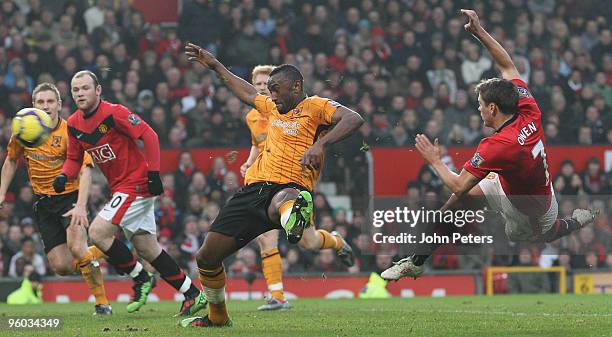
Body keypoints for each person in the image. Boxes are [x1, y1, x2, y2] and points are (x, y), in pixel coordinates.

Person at [381, 9, 598, 281]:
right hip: (510, 185)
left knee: (545, 233)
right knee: (453, 206)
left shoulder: (497, 145)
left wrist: (434, 160)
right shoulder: (528, 107)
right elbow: (507, 66)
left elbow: (459, 183)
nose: (479, 110)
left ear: (493, 108)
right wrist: (479, 32)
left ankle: (576, 220)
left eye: (480, 106)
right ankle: (415, 262)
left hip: (530, 213)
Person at [182, 43, 364, 327]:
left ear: (296, 86)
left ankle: (293, 219)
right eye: (270, 89)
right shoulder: (269, 109)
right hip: (253, 190)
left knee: (288, 202)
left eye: (277, 89)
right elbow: (245, 92)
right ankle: (218, 317)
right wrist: (216, 65)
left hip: (290, 186)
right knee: (206, 256)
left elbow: (354, 118)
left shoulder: (315, 106)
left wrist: (321, 143)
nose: (272, 95)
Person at [52, 70, 206, 316]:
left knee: (97, 232)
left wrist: (154, 174)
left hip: (136, 184)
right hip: (121, 187)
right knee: (147, 248)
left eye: (85, 88)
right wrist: (63, 176)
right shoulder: (73, 124)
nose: (80, 93)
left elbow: (150, 135)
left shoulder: (115, 113)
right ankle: (192, 294)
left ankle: (141, 277)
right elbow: (73, 159)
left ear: (98, 90)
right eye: (75, 90)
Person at [0, 82, 111, 315]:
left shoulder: (70, 131)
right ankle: (102, 248)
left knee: (78, 247)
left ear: (60, 105)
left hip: (71, 196)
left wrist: (81, 206)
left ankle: (102, 304)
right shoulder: (24, 131)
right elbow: (11, 160)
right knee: (61, 266)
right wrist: (1, 194)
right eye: (40, 102)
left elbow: (85, 170)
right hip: (43, 202)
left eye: (50, 101)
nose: (46, 106)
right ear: (33, 106)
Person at [241, 65, 290, 311]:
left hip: (288, 180)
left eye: (265, 84)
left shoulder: (281, 112)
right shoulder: (251, 116)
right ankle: (278, 296)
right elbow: (256, 143)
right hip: (266, 181)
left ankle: (335, 243)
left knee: (309, 242)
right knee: (264, 237)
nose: (261, 88)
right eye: (257, 84)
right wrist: (249, 163)